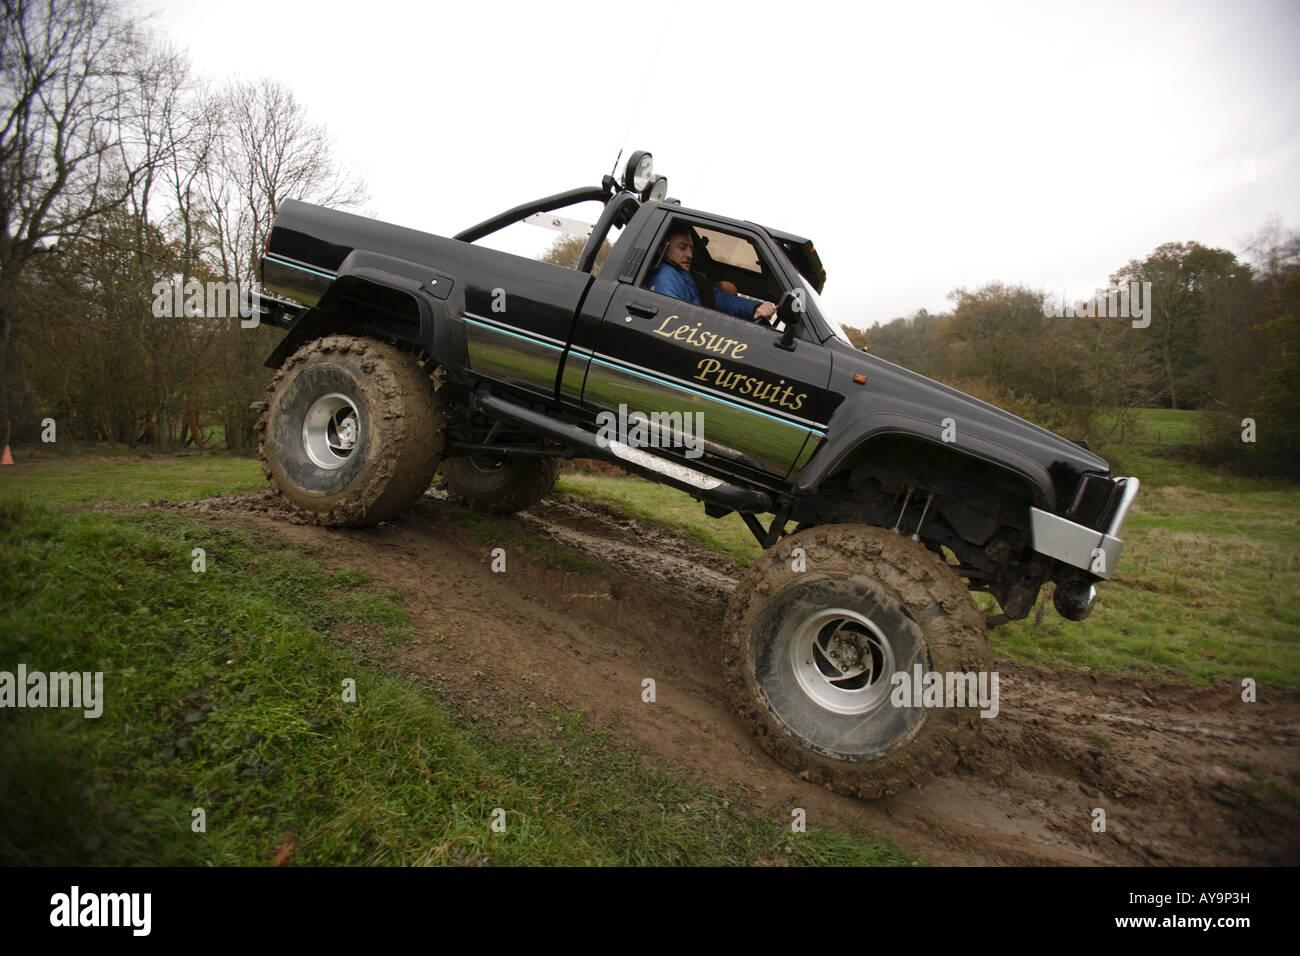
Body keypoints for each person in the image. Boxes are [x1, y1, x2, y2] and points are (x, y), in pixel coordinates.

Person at [648, 229, 777, 322]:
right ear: (662, 249)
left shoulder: (693, 277)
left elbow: (723, 300)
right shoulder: (664, 277)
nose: (690, 255)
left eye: (691, 248)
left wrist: (755, 308)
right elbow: (673, 320)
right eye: (682, 248)